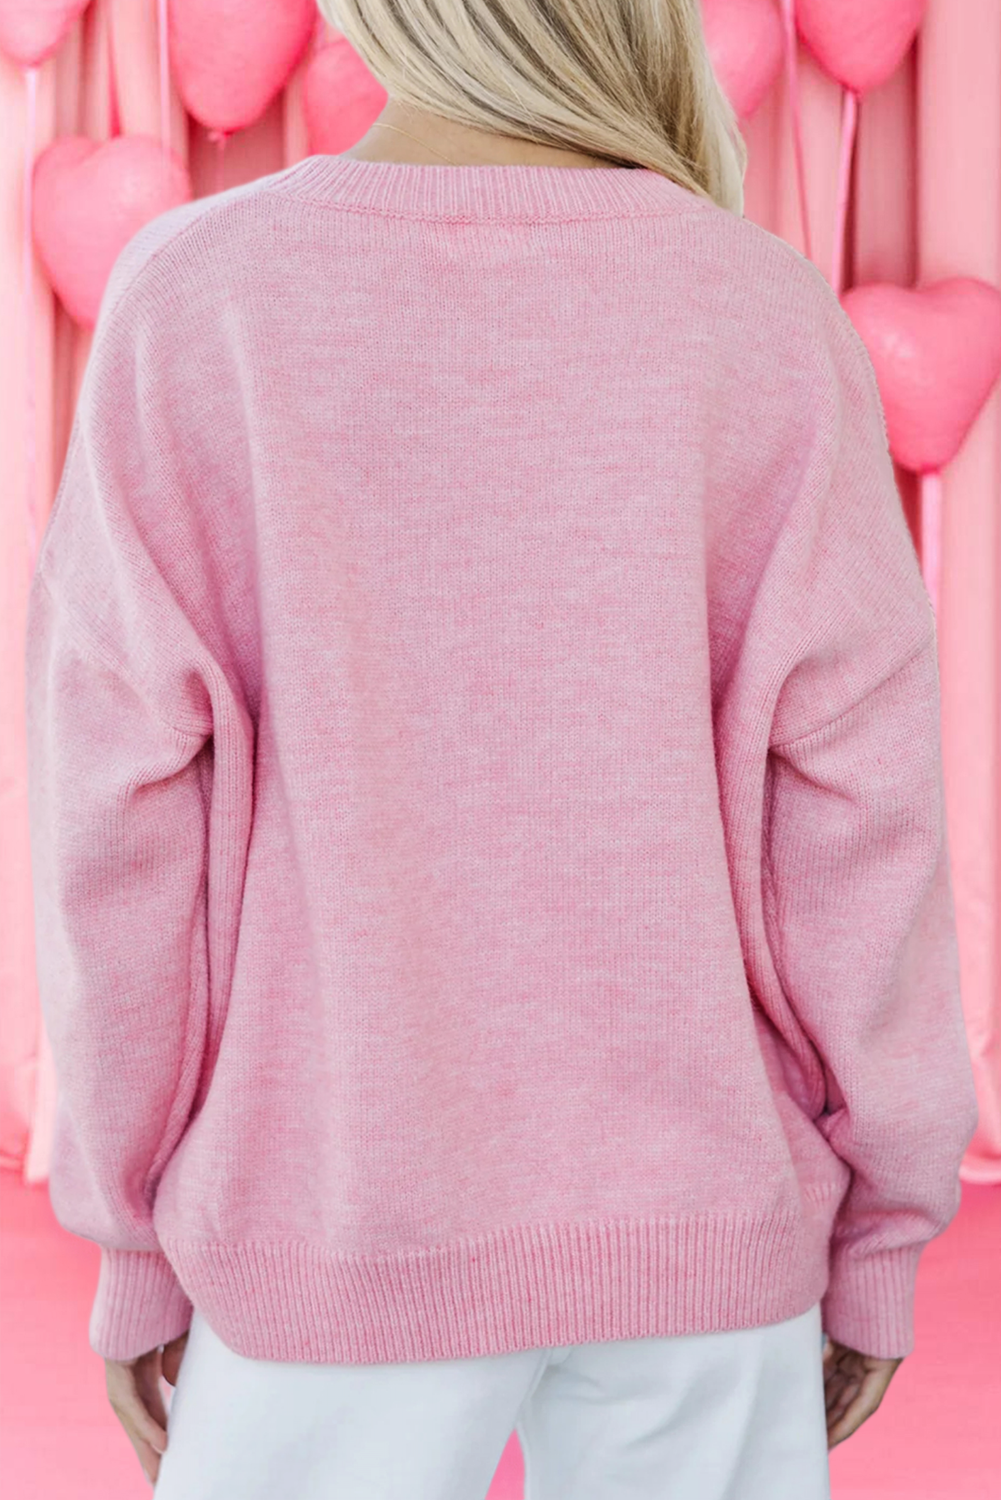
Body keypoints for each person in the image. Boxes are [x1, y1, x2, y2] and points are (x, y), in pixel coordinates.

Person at [24, 2, 979, 1497]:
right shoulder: (764, 313)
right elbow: (861, 819)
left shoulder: (202, 299)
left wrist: (134, 1233)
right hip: (705, 1231)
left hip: (328, 1229)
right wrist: (883, 1228)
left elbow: (118, 824)